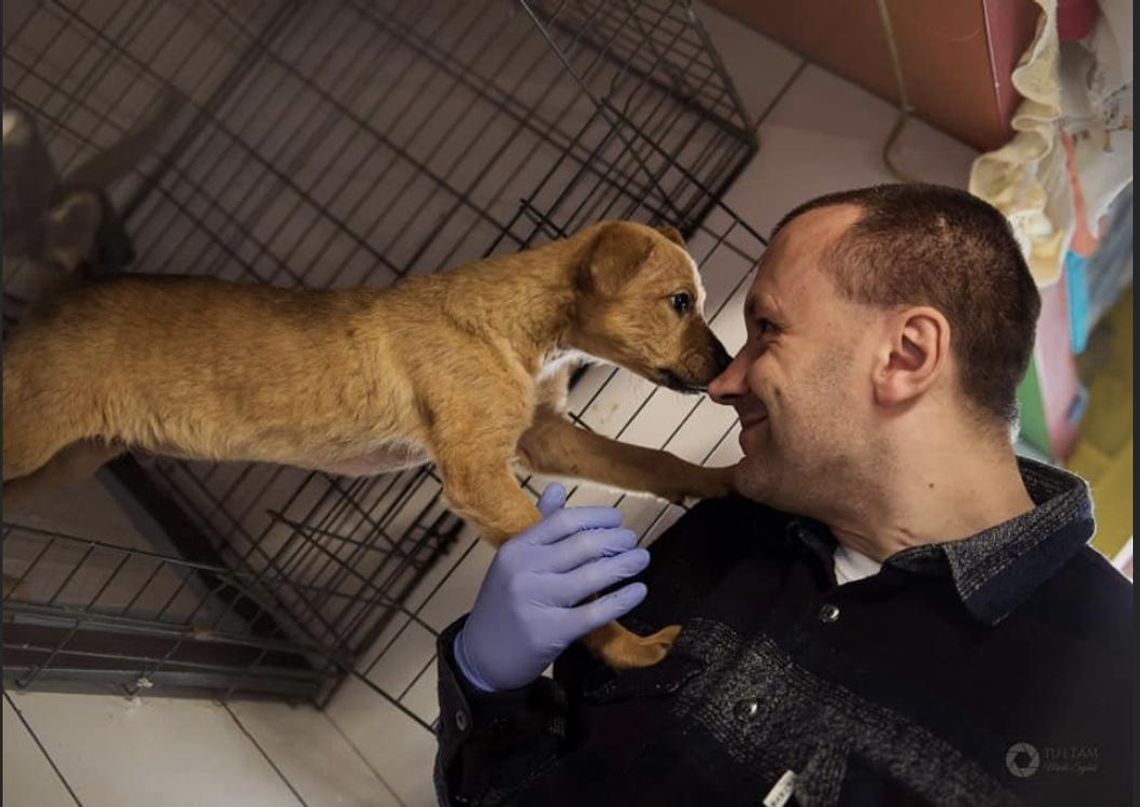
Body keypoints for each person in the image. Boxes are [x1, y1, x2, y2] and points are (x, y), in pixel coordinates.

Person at [432, 184, 1132, 806]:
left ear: (907, 356)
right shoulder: (724, 533)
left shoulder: (1115, 689)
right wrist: (488, 685)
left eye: (766, 329)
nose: (722, 381)